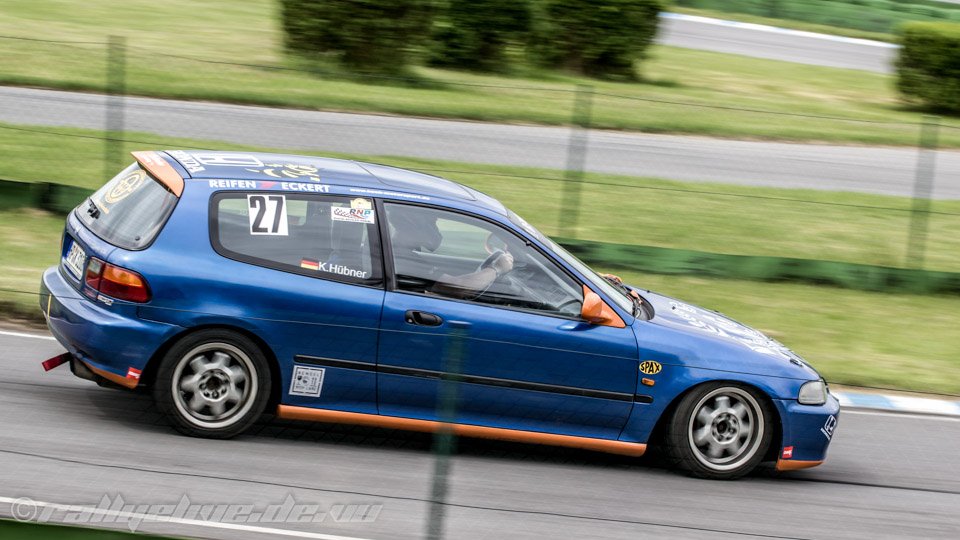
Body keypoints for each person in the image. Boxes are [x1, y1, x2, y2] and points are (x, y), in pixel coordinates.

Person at [389, 208, 513, 298]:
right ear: (414, 223)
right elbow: (458, 288)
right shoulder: (404, 261)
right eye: (432, 222)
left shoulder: (398, 253)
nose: (435, 228)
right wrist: (496, 268)